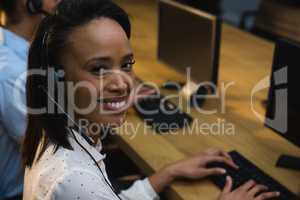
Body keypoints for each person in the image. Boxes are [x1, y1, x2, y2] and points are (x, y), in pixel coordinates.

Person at [22, 0, 281, 199]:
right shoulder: (73, 178)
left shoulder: (54, 130)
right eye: (98, 69)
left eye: (127, 64)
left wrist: (168, 172)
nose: (123, 83)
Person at [0, 1, 59, 199]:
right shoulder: (14, 74)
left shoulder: (11, 48)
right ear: (32, 3)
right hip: (22, 193)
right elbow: (52, 146)